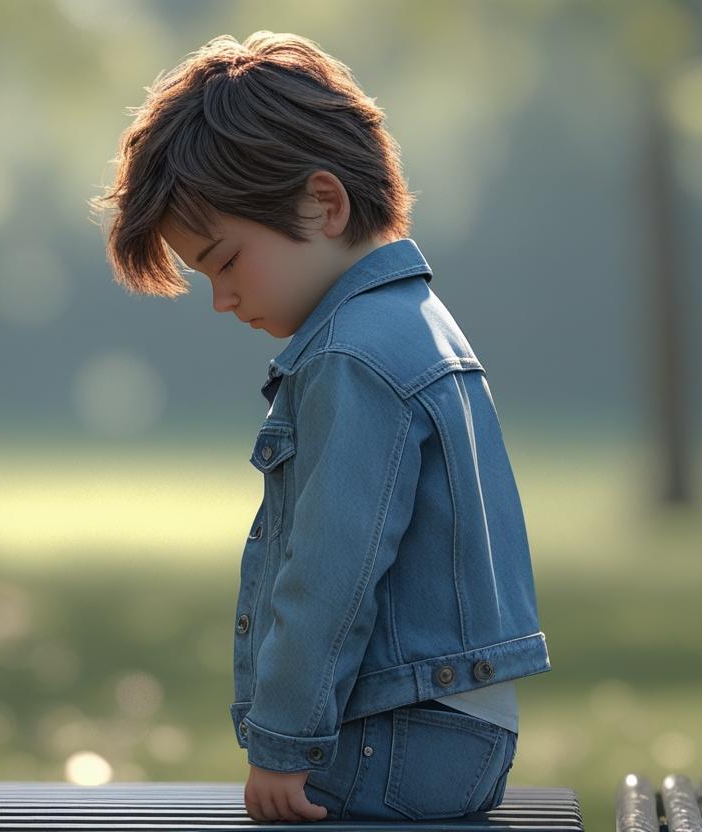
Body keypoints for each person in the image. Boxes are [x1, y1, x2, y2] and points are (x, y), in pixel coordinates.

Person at [89, 30, 551, 823]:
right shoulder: (416, 323)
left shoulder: (354, 357)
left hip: (401, 736)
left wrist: (281, 743)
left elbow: (330, 575)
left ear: (323, 202)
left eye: (226, 261)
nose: (222, 300)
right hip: (451, 732)